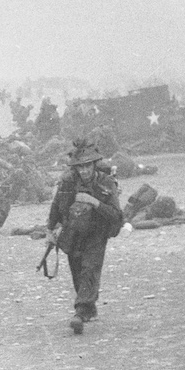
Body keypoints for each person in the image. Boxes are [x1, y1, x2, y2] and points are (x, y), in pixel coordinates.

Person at [47, 142, 123, 334]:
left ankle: (80, 312)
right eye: (80, 166)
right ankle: (89, 309)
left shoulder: (106, 183)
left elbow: (116, 216)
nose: (85, 170)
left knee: (90, 269)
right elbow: (56, 207)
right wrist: (50, 231)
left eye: (88, 166)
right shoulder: (68, 182)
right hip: (73, 233)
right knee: (78, 271)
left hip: (97, 233)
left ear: (94, 165)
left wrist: (95, 202)